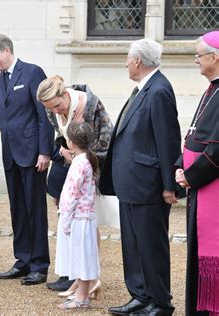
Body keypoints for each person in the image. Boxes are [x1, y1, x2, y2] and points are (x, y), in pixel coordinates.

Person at [99, 39, 181, 315]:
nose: (125, 63)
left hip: (148, 184)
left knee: (151, 245)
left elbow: (168, 140)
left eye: (127, 58)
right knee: (133, 245)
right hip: (131, 183)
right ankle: (139, 294)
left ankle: (159, 301)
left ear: (138, 61)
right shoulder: (143, 89)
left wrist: (170, 185)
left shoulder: (159, 91)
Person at [0, 33, 54, 285]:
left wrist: (45, 151)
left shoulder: (32, 72)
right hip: (11, 155)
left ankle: (39, 265)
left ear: (6, 50)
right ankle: (23, 260)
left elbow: (44, 115)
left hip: (33, 155)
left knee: (35, 209)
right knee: (18, 209)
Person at [36, 75, 113, 293]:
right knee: (65, 216)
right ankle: (71, 273)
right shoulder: (51, 109)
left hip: (89, 166)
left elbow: (106, 140)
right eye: (51, 109)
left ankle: (89, 276)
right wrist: (62, 149)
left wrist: (81, 158)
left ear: (64, 94)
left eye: (58, 106)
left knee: (87, 224)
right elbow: (61, 135)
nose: (56, 111)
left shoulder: (91, 106)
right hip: (68, 162)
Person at [175, 31, 219, 316]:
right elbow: (194, 135)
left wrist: (191, 175)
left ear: (214, 57)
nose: (195, 61)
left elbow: (216, 150)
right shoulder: (210, 91)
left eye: (198, 56)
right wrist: (181, 165)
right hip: (198, 188)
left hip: (208, 186)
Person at [54, 122, 100, 310]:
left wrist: (64, 218)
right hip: (84, 216)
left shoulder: (79, 163)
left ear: (71, 143)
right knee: (84, 256)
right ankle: (82, 294)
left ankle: (82, 297)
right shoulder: (86, 160)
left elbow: (71, 194)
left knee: (81, 257)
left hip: (77, 218)